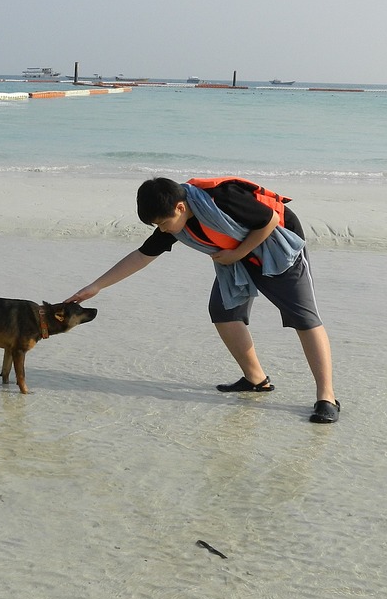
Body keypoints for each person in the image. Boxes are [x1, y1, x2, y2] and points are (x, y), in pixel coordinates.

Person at [66, 176, 340, 423]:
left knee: (304, 319)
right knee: (222, 311)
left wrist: (237, 253)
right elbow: (142, 256)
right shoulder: (175, 221)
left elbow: (267, 220)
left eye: (162, 223)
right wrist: (96, 286)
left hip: (279, 248)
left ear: (180, 208)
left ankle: (327, 397)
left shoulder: (223, 198)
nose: (161, 230)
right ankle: (256, 380)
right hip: (235, 255)